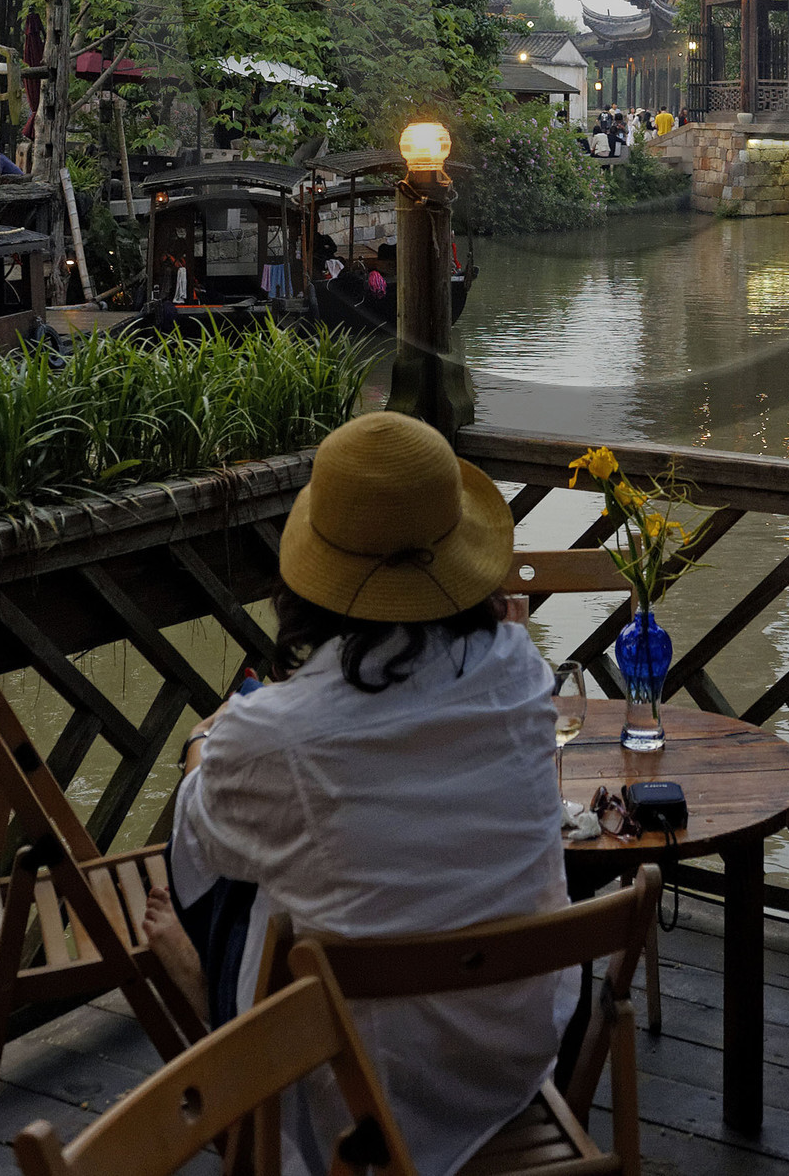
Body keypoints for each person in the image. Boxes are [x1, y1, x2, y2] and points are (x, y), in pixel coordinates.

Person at [158, 414, 571, 1176]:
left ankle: (198, 982)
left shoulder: (272, 733)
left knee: (228, 863)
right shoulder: (517, 667)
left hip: (353, 1087)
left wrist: (201, 749)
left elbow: (198, 848)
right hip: (510, 1055)